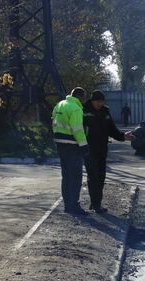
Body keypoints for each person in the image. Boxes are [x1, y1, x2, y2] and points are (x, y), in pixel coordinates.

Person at [83, 90, 134, 213]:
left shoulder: (105, 111)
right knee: (93, 176)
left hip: (102, 149)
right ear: (92, 100)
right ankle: (95, 204)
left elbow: (112, 129)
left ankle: (96, 202)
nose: (99, 104)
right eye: (97, 101)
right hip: (89, 149)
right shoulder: (84, 111)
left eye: (101, 101)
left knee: (101, 177)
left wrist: (123, 136)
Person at [52, 87, 89, 215]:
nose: (84, 100)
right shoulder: (76, 108)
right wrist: (84, 145)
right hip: (72, 146)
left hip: (60, 144)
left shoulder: (60, 105)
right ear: (80, 97)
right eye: (83, 97)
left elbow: (53, 121)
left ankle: (67, 204)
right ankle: (74, 205)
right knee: (75, 177)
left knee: (66, 176)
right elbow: (78, 129)